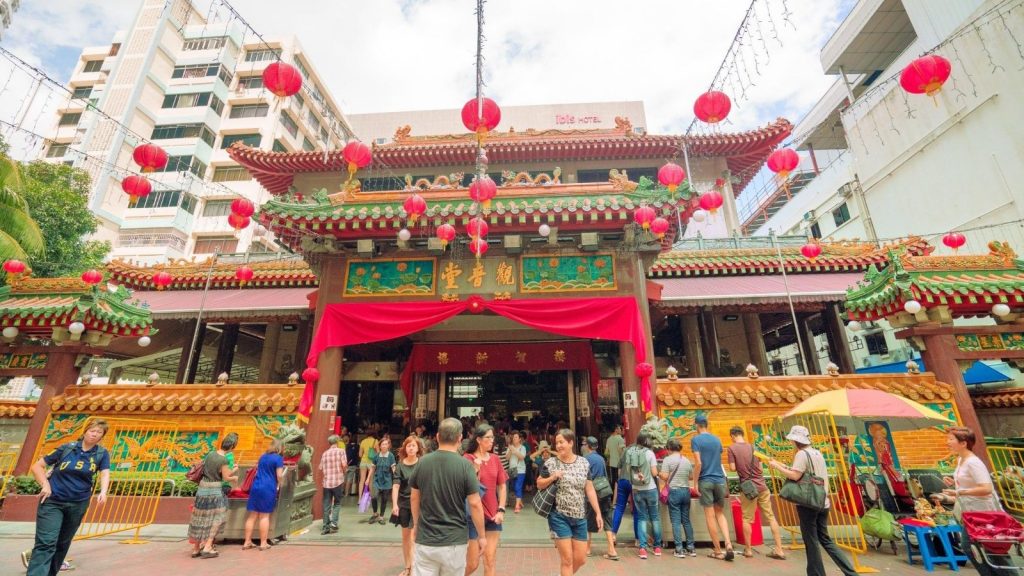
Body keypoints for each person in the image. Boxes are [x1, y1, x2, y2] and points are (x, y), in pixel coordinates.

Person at [25, 419, 111, 576]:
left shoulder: (101, 454)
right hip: (53, 501)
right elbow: (37, 466)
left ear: (102, 436)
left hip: (78, 504)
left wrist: (103, 491)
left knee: (62, 543)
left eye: (99, 432)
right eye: (92, 430)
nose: (94, 434)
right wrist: (45, 484)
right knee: (46, 542)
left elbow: (105, 473)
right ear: (85, 431)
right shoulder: (67, 448)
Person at [768, 426, 857, 576]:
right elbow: (808, 473)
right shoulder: (817, 453)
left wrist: (776, 466)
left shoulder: (801, 454)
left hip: (808, 504)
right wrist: (784, 466)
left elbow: (795, 476)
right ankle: (851, 572)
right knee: (826, 540)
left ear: (795, 440)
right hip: (822, 502)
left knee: (811, 542)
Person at [409, 417, 485, 576]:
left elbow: (414, 497)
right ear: (460, 438)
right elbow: (475, 504)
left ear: (437, 437)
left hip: (426, 539)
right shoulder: (465, 466)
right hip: (454, 541)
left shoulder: (422, 462)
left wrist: (416, 525)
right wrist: (482, 536)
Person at [537, 428, 603, 576]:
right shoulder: (551, 463)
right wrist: (553, 477)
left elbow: (590, 489)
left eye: (562, 442)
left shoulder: (583, 463)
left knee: (580, 559)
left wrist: (598, 512)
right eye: (557, 443)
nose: (558, 446)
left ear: (571, 443)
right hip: (558, 516)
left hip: (580, 516)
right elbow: (539, 484)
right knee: (567, 560)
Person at [943, 426, 1006, 576]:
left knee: (993, 551)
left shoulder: (973, 462)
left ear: (964, 443)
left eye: (951, 439)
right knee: (970, 547)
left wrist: (959, 491)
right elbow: (969, 482)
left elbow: (986, 488)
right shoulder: (960, 460)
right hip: (971, 513)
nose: (947, 442)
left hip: (985, 513)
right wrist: (954, 483)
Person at [727, 426, 785, 559]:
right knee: (770, 517)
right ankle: (779, 549)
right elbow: (759, 466)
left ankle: (748, 550)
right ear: (742, 434)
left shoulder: (732, 448)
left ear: (732, 436)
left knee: (747, 518)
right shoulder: (753, 447)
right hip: (762, 486)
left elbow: (732, 468)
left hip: (748, 488)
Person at [464, 424, 507, 576]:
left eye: (492, 437)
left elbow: (502, 486)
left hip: (493, 516)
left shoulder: (495, 459)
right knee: (473, 563)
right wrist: (475, 469)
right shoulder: (467, 459)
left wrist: (501, 509)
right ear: (478, 439)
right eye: (488, 437)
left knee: (490, 560)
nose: (492, 440)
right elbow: (468, 487)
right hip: (474, 517)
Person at [187, 431, 238, 559]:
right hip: (215, 489)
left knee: (200, 516)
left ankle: (196, 548)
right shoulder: (224, 459)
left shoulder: (210, 454)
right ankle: (208, 546)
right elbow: (226, 477)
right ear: (232, 447)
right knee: (217, 518)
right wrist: (235, 476)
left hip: (202, 488)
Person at [691, 414, 733, 561]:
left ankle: (717, 550)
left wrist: (695, 482)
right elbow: (718, 457)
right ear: (706, 424)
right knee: (720, 514)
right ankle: (728, 544)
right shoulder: (717, 439)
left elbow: (698, 463)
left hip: (705, 480)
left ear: (697, 425)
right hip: (719, 479)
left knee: (710, 516)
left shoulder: (696, 440)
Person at [622, 431, 661, 559]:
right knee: (654, 517)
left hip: (636, 489)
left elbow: (627, 470)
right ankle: (657, 547)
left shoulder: (630, 452)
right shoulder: (650, 453)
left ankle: (643, 548)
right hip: (650, 488)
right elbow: (654, 473)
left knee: (641, 518)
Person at [243, 438, 286, 551]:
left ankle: (247, 541)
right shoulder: (278, 458)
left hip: (256, 486)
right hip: (268, 487)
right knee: (264, 516)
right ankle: (263, 543)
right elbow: (280, 475)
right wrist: (280, 484)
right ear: (280, 447)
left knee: (252, 516)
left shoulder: (262, 456)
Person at [393, 435, 426, 576]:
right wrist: (395, 504)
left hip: (420, 505)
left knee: (413, 536)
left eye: (413, 445)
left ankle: (414, 568)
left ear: (418, 448)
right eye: (408, 446)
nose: (411, 448)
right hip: (404, 505)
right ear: (405, 448)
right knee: (406, 537)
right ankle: (408, 566)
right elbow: (395, 486)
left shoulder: (423, 464)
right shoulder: (400, 465)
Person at [582, 436, 618, 560]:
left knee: (588, 521)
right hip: (605, 491)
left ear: (587, 446)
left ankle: (587, 549)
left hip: (593, 493)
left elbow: (584, 478)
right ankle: (612, 550)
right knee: (607, 520)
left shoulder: (585, 459)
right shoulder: (602, 458)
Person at [660, 437, 696, 558]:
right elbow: (691, 477)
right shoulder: (686, 460)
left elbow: (664, 476)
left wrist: (659, 473)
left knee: (675, 521)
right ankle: (691, 548)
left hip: (674, 491)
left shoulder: (667, 460)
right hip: (686, 491)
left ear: (669, 448)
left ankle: (679, 549)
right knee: (686, 520)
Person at [319, 434, 348, 535]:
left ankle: (325, 527)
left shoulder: (325, 453)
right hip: (338, 481)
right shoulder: (341, 451)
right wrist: (344, 472)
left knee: (326, 505)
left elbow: (320, 467)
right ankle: (334, 523)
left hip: (327, 483)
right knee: (337, 503)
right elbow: (344, 465)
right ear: (337, 442)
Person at [369, 435, 396, 524]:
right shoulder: (376, 456)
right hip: (377, 480)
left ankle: (381, 516)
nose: (384, 446)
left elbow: (393, 468)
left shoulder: (391, 456)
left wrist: (396, 477)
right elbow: (372, 468)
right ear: (380, 446)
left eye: (386, 444)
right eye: (382, 444)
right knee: (374, 496)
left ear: (388, 445)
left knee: (384, 499)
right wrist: (368, 478)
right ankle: (375, 513)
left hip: (387, 481)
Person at [507, 431, 527, 513]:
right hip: (512, 470)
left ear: (519, 439)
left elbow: (522, 457)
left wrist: (514, 450)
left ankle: (517, 506)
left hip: (521, 470)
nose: (514, 439)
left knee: (518, 487)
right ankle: (520, 502)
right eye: (513, 437)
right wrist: (510, 450)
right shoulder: (510, 447)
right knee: (515, 487)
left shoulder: (523, 448)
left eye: (516, 437)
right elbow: (507, 458)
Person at [359, 432, 379, 503]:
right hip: (371, 463)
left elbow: (360, 454)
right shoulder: (375, 441)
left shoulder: (363, 441)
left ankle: (359, 499)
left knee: (362, 480)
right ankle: (370, 498)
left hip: (363, 462)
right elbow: (378, 453)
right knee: (371, 481)